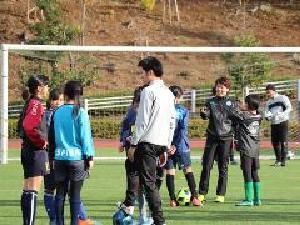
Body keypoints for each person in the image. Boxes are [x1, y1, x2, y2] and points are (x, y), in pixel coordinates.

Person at [129, 56, 175, 225]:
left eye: (142, 73)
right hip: (161, 143)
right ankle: (150, 216)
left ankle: (159, 220)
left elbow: (142, 121)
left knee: (148, 183)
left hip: (148, 142)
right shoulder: (169, 93)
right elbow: (172, 121)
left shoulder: (148, 92)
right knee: (151, 182)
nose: (141, 76)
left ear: (149, 72)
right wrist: (168, 143)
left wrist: (133, 143)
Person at [49, 80, 95, 225]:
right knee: (75, 196)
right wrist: (89, 156)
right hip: (77, 158)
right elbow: (86, 137)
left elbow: (52, 137)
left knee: (60, 194)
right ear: (79, 94)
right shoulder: (80, 113)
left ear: (65, 94)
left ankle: (59, 223)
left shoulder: (57, 112)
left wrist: (52, 157)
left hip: (60, 157)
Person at [198, 76, 235, 203]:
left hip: (226, 138)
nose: (220, 89)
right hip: (212, 137)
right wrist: (203, 113)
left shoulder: (232, 102)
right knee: (207, 166)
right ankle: (202, 192)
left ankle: (220, 194)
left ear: (227, 89)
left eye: (222, 87)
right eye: (218, 87)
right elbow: (206, 114)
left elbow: (235, 118)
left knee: (223, 167)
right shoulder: (210, 102)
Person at [20, 75, 50, 225]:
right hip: (35, 152)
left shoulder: (29, 103)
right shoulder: (36, 104)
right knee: (32, 191)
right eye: (46, 86)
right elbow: (28, 126)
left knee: (27, 190)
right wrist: (42, 142)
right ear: (39, 88)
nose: (48, 89)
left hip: (27, 150)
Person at [165, 85, 201, 207]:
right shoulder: (180, 111)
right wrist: (170, 145)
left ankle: (189, 197)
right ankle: (179, 198)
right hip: (175, 146)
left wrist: (171, 145)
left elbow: (180, 129)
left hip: (175, 145)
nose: (175, 99)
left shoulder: (175, 110)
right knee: (175, 171)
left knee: (180, 170)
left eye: (177, 97)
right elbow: (180, 129)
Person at [228, 95, 262, 206]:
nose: (243, 104)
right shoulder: (258, 116)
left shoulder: (244, 116)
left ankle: (249, 199)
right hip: (255, 150)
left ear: (249, 105)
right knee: (254, 173)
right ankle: (257, 199)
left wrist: (237, 106)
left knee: (247, 173)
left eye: (245, 102)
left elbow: (231, 114)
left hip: (246, 149)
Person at [264, 84, 292, 167]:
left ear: (273, 90)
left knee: (283, 141)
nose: (268, 94)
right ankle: (278, 160)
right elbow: (266, 112)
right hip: (273, 123)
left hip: (283, 121)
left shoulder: (283, 98)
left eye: (269, 92)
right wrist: (267, 117)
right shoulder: (268, 102)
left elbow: (289, 108)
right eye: (267, 93)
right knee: (275, 142)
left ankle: (283, 160)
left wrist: (281, 114)